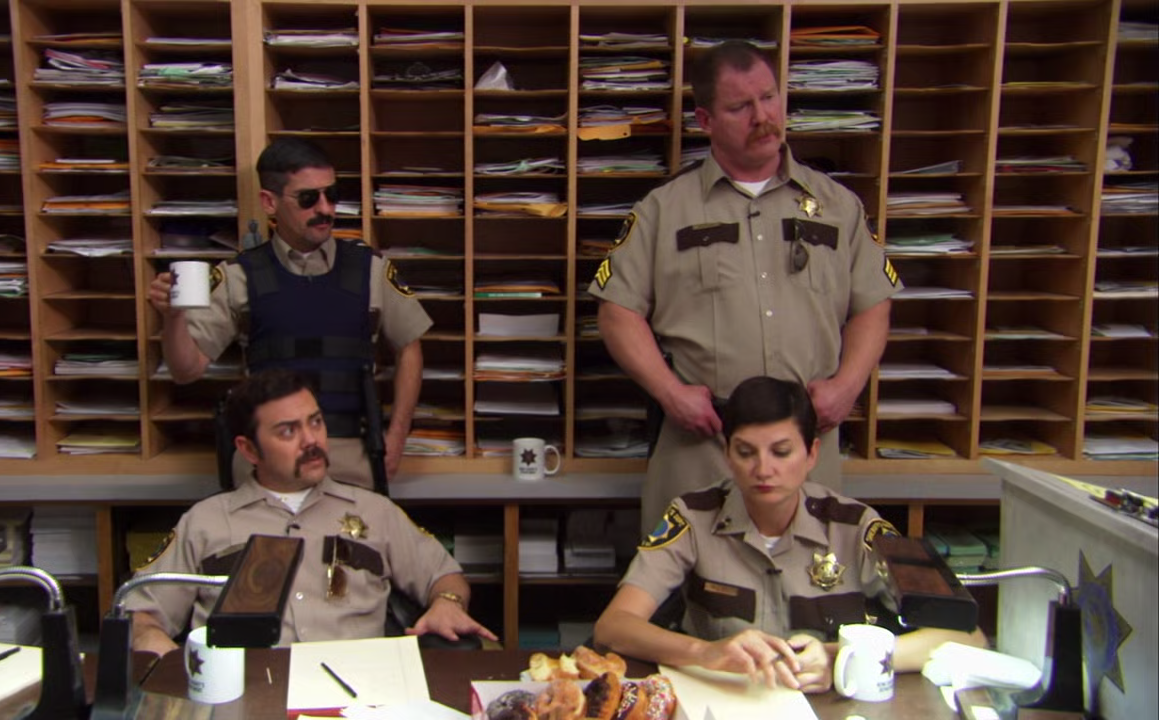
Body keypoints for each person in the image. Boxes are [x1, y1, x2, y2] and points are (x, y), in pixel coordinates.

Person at [588, 40, 902, 530]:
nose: (763, 116)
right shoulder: (663, 210)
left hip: (804, 447)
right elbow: (617, 312)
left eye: (769, 97)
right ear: (706, 120)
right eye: (740, 107)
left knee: (808, 573)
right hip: (703, 445)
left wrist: (848, 386)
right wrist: (670, 392)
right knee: (686, 573)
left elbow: (873, 303)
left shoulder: (838, 205)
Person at [593, 377, 984, 691]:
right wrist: (706, 652)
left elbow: (967, 635)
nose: (763, 469)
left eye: (781, 452)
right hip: (725, 701)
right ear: (727, 454)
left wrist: (837, 657)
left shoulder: (856, 526)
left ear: (811, 454)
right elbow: (613, 627)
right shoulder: (692, 518)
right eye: (746, 452)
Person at [126, 368, 497, 656]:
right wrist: (162, 651)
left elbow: (444, 576)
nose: (311, 440)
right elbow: (140, 614)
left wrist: (448, 603)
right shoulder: (204, 522)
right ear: (249, 450)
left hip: (361, 693)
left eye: (315, 422)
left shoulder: (374, 511)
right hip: (244, 692)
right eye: (288, 431)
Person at [148, 137, 431, 488]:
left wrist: (397, 437)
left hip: (350, 452)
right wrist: (173, 317)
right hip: (268, 457)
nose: (325, 209)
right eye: (309, 198)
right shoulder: (239, 275)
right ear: (270, 202)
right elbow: (185, 370)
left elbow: (410, 348)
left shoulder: (369, 269)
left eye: (332, 195)